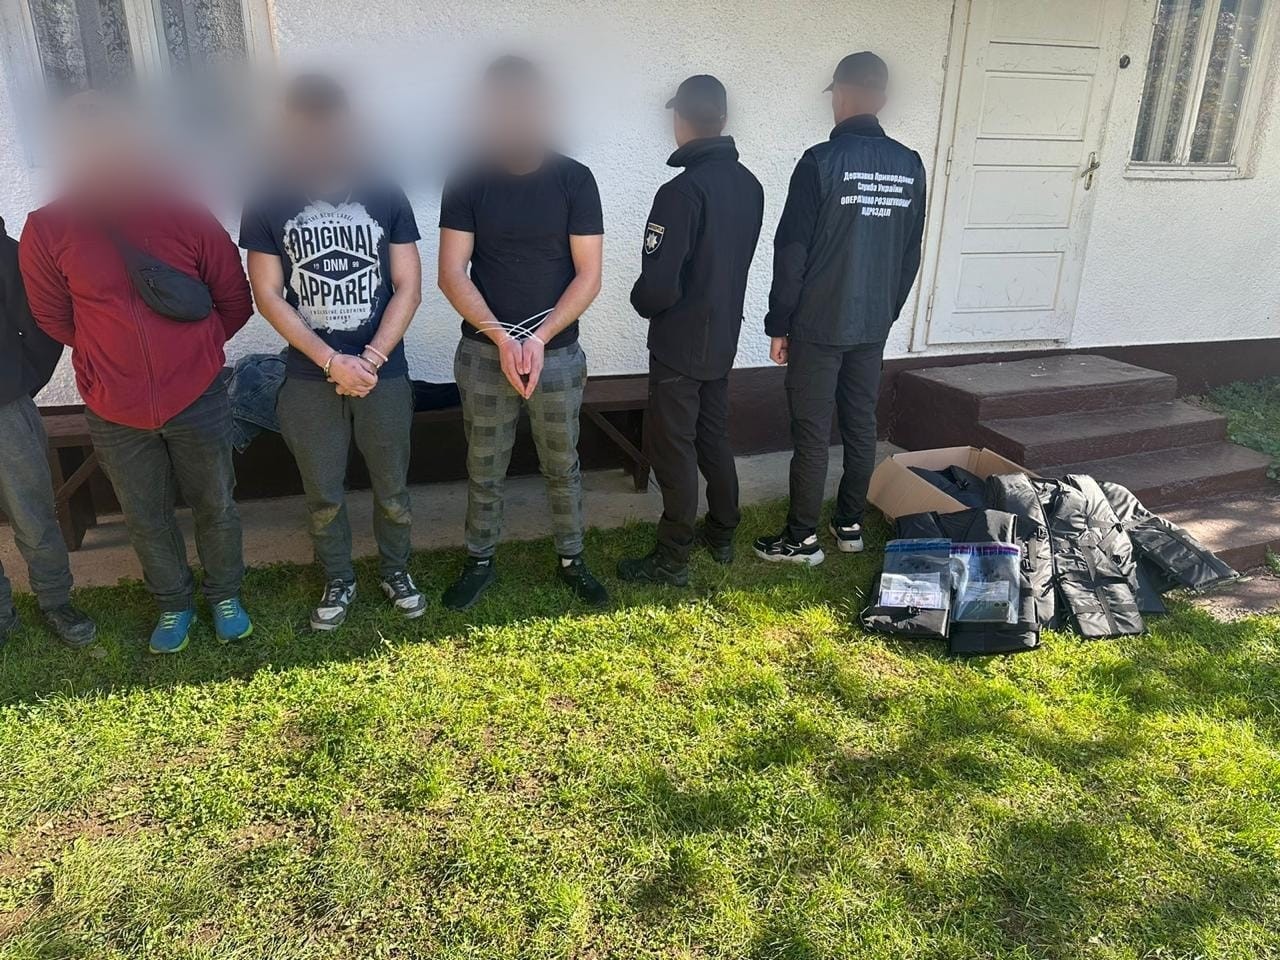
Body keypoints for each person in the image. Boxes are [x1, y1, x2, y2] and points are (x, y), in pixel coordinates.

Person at [19, 92, 255, 654]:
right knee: (145, 515)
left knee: (216, 504)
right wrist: (110, 361)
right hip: (114, 408)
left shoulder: (185, 214)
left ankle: (225, 595)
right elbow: (54, 317)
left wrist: (193, 355)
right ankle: (173, 603)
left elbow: (233, 300)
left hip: (199, 397)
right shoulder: (48, 228)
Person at [240, 75, 425, 632]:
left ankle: (396, 570)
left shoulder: (385, 193)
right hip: (307, 376)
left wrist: (370, 359)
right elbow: (267, 295)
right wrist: (330, 361)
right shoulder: (267, 199)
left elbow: (408, 286)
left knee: (393, 491)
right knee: (323, 495)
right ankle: (339, 578)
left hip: (383, 373)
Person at [437, 55, 609, 611]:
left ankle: (572, 559)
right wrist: (503, 339)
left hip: (556, 353)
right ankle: (479, 560)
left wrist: (536, 338)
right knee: (484, 465)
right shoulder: (467, 179)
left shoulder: (574, 179)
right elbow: (451, 273)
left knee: (563, 463)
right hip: (484, 353)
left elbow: (589, 275)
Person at [754, 52, 926, 565]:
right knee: (860, 425)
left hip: (818, 323)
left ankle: (801, 538)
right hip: (872, 324)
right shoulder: (911, 165)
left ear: (843, 95)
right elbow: (909, 254)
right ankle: (849, 524)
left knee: (811, 432)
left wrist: (779, 322)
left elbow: (792, 252)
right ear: (883, 99)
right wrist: (888, 311)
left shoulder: (819, 162)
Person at [617, 76, 764, 585]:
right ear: (722, 119)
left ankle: (672, 556)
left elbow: (659, 284)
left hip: (679, 343)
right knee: (712, 437)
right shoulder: (750, 185)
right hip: (722, 336)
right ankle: (722, 532)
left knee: (673, 446)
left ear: (680, 120)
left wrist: (640, 302)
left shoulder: (680, 191)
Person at [0, 215, 97, 649]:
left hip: (6, 410)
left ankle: (56, 601)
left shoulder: (6, 253)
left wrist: (21, 384)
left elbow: (41, 327)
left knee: (33, 514)